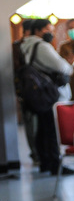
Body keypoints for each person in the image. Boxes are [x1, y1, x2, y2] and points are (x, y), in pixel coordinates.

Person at [20, 18, 74, 176]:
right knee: (52, 129)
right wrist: (69, 66)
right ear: (37, 31)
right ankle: (55, 164)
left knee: (43, 128)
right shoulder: (42, 46)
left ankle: (44, 162)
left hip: (37, 93)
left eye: (51, 30)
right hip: (49, 94)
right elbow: (62, 67)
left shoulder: (26, 45)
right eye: (47, 30)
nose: (50, 33)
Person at [12, 18, 38, 165]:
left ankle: (42, 154)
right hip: (28, 90)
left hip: (40, 92)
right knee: (31, 123)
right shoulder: (18, 47)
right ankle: (35, 154)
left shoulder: (39, 44)